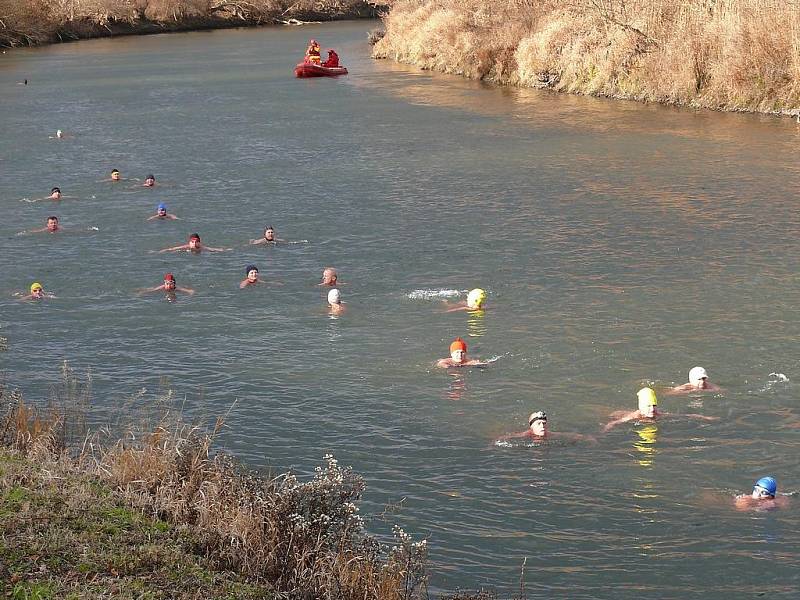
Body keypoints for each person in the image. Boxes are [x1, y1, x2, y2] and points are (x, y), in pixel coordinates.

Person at [603, 387, 717, 432]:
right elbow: (613, 423)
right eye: (648, 406)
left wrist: (705, 417)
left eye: (654, 405)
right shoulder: (634, 416)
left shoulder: (658, 414)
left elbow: (684, 416)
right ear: (642, 408)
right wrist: (602, 433)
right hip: (616, 415)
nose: (652, 409)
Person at [497, 411, 596, 444]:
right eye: (539, 424)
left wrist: (589, 438)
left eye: (544, 424)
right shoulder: (525, 435)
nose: (542, 426)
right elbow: (503, 438)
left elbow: (572, 435)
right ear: (531, 427)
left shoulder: (550, 434)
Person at [159, 233, 230, 253]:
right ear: (189, 242)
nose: (194, 243)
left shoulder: (202, 248)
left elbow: (213, 249)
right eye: (192, 242)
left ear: (199, 242)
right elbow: (173, 248)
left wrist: (225, 250)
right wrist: (163, 250)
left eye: (196, 242)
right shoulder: (186, 247)